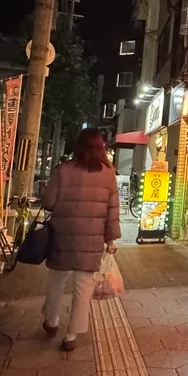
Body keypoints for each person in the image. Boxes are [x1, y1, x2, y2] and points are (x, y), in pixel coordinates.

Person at [39, 128, 121, 351]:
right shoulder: (108, 173)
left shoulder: (63, 170)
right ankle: (72, 335)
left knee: (57, 279)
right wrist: (111, 240)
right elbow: (113, 210)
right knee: (83, 286)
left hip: (62, 234)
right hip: (92, 238)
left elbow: (49, 202)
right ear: (101, 148)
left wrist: (45, 191)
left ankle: (52, 321)